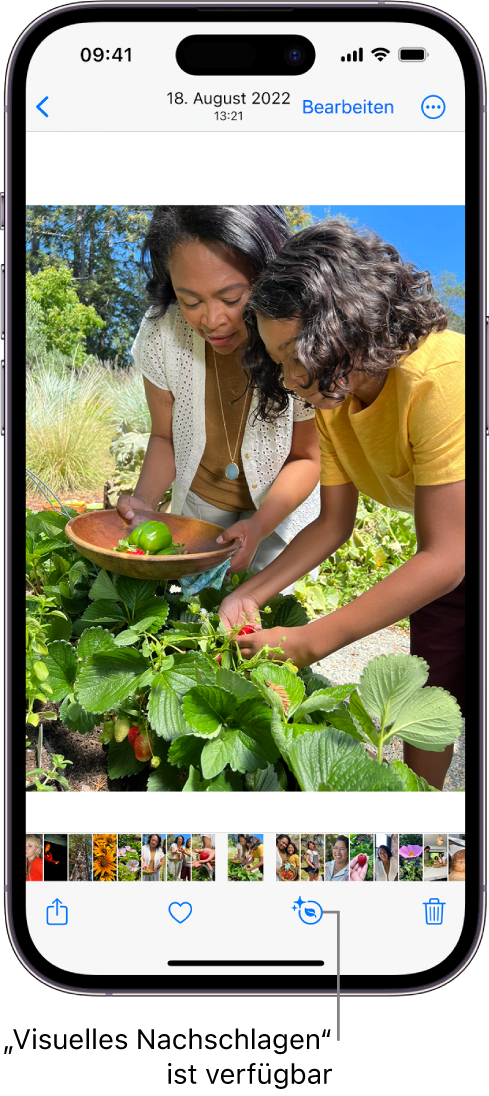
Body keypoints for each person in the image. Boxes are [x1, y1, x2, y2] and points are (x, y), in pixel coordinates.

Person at [220, 220, 465, 788]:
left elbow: (447, 555)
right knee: (431, 703)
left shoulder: (444, 375)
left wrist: (313, 638)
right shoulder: (334, 398)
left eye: (296, 353)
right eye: (277, 359)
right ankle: (420, 825)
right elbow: (333, 523)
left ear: (349, 321)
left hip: (458, 549)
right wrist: (249, 593)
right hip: (460, 553)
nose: (287, 376)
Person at [117, 206, 321, 582]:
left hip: (280, 512)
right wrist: (144, 502)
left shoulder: (298, 339)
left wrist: (259, 525)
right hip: (200, 502)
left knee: (264, 618)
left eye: (231, 299)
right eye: (190, 301)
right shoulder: (162, 332)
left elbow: (306, 458)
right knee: (193, 610)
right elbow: (165, 437)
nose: (211, 320)